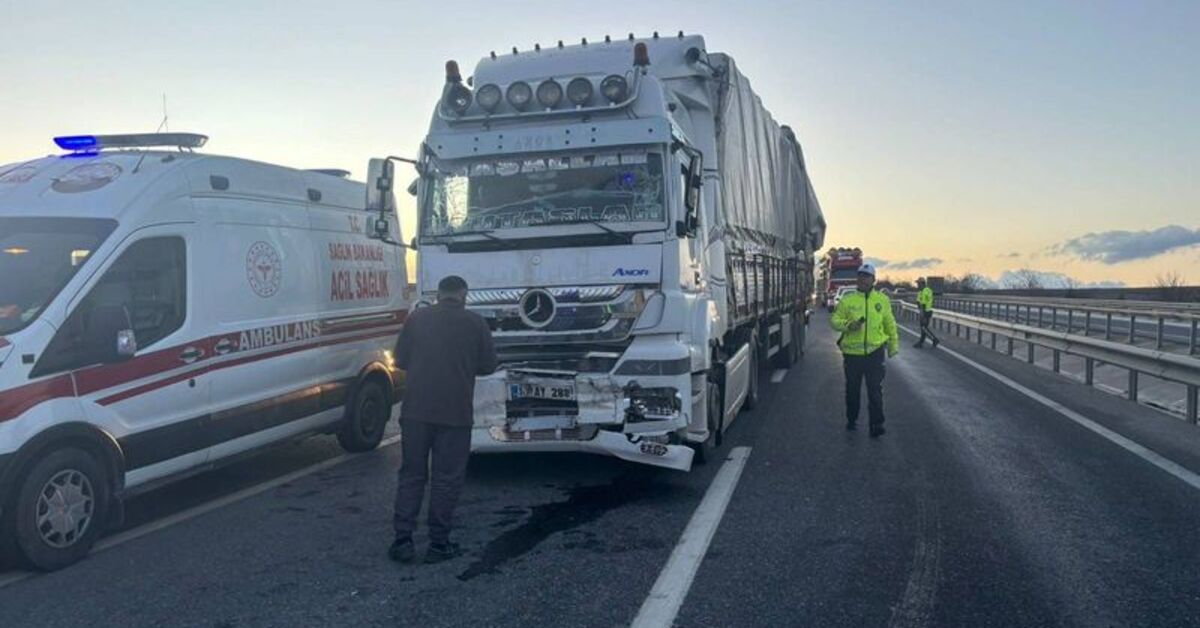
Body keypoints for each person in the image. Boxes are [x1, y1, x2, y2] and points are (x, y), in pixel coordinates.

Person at [390, 275, 497, 564]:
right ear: (464, 295)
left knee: (411, 474)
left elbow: (400, 360)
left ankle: (402, 541)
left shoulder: (417, 319)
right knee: (446, 479)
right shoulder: (476, 323)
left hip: (415, 411)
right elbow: (488, 365)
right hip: (455, 413)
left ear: (438, 295)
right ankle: (438, 544)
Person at [830, 264, 899, 437]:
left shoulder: (882, 300)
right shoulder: (848, 300)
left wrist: (893, 346)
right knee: (852, 390)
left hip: (875, 353)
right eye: (860, 276)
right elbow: (835, 321)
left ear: (873, 280)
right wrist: (848, 325)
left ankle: (876, 424)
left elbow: (890, 324)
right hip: (852, 355)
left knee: (875, 390)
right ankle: (852, 419)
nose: (862, 279)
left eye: (866, 276)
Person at [913, 277, 940, 349]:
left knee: (924, 328)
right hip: (923, 311)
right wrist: (920, 309)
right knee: (923, 328)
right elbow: (918, 302)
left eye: (918, 283)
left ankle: (934, 339)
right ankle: (922, 342)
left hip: (926, 312)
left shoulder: (926, 291)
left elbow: (923, 304)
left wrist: (922, 314)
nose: (917, 285)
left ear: (922, 284)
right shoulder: (921, 291)